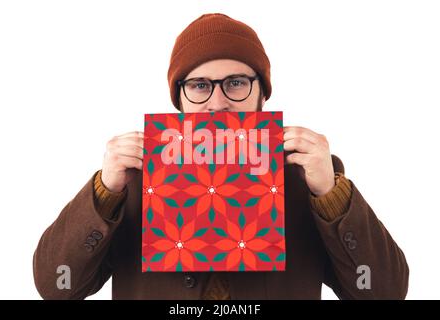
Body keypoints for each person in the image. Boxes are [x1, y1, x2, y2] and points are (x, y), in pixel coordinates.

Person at [33, 13, 409, 300]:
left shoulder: (306, 176)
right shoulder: (131, 178)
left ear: (262, 93)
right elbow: (57, 285)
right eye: (199, 85)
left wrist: (330, 195)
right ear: (179, 98)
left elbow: (384, 291)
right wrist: (104, 193)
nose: (217, 102)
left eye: (236, 83)